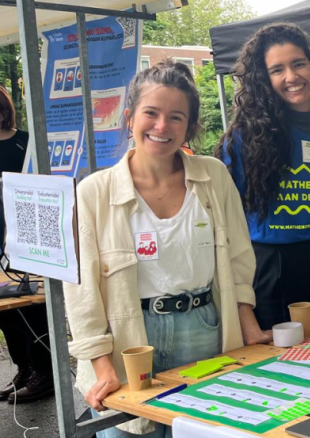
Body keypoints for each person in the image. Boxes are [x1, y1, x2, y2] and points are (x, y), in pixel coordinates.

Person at [64, 60, 265, 437]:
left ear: (189, 127)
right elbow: (81, 293)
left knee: (208, 430)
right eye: (151, 113)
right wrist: (102, 366)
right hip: (129, 342)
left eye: (176, 117)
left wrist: (249, 327)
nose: (161, 127)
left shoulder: (213, 177)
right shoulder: (93, 192)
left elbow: (239, 257)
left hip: (205, 329)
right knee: (128, 431)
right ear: (129, 117)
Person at [216, 23, 310, 329]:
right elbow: (228, 225)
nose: (291, 77)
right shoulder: (245, 139)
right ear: (264, 79)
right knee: (280, 365)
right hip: (272, 268)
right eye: (277, 69)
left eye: (298, 64)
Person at [0, 86, 54, 404]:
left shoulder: (26, 141)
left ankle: (45, 372)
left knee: (33, 306)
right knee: (5, 309)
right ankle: (24, 367)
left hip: (27, 232)